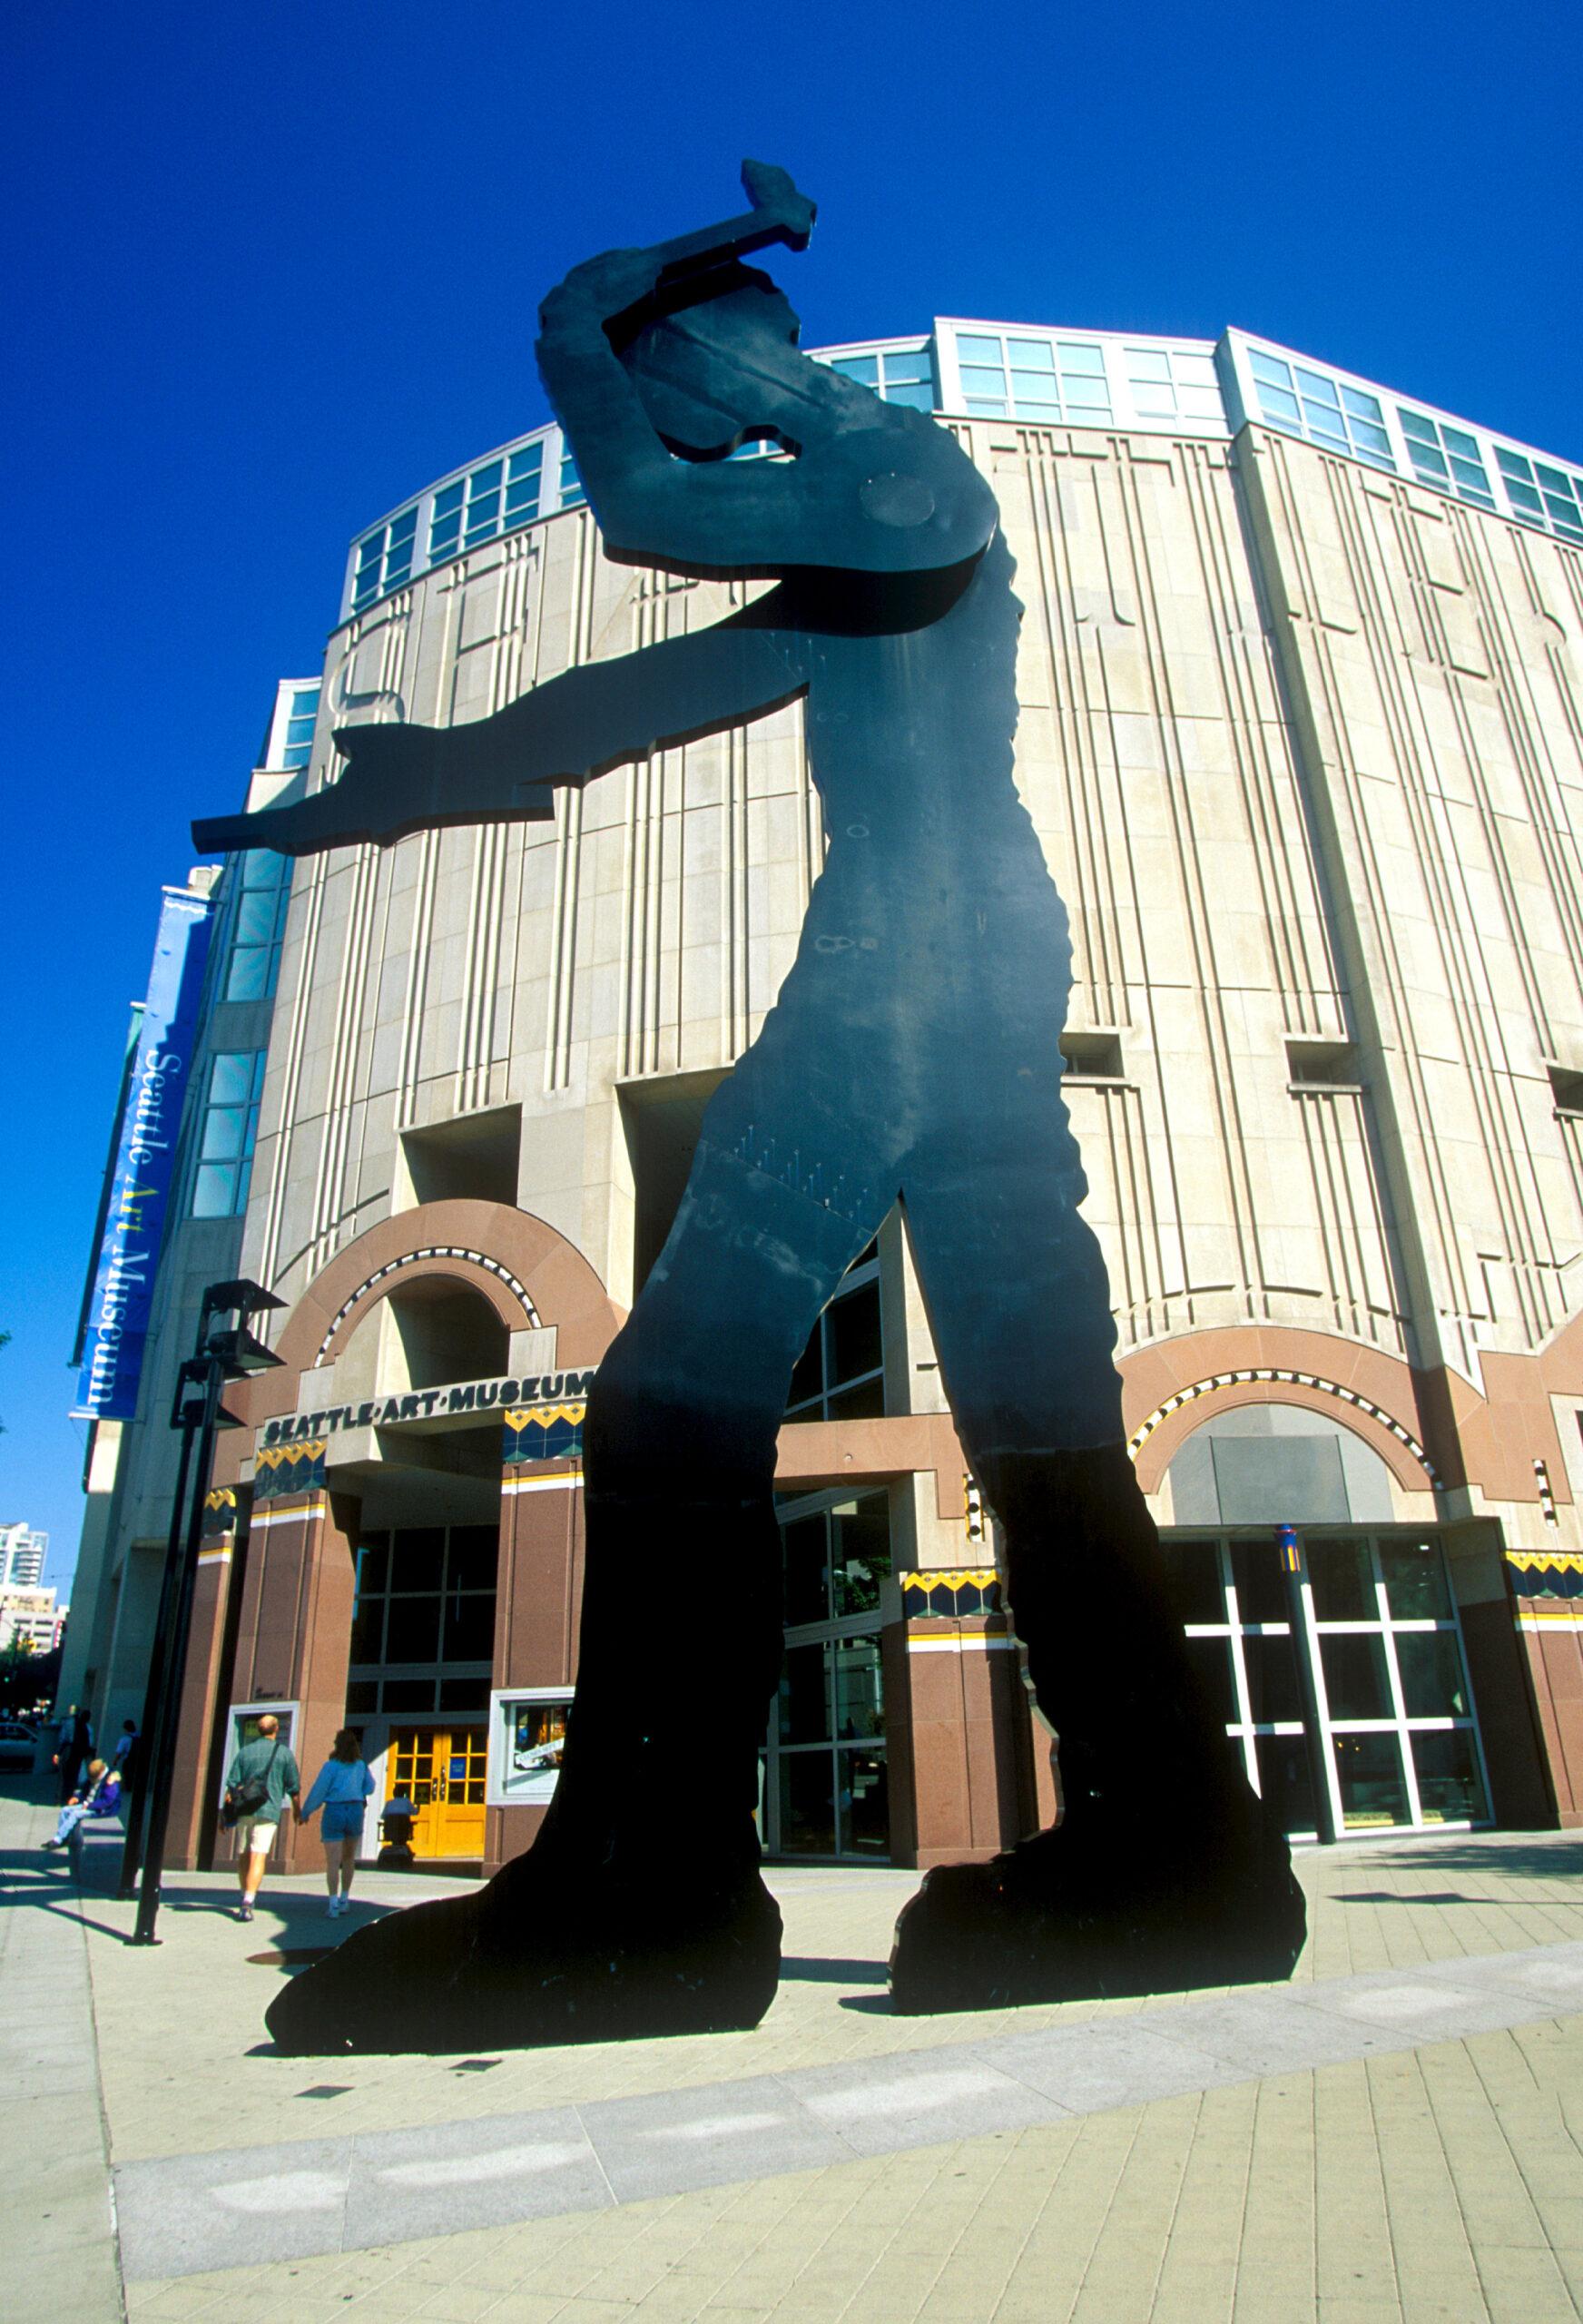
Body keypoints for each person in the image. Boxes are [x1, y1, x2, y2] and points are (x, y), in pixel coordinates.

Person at [202, 162, 1303, 2053]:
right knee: (1034, 1396)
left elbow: (642, 514)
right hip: (954, 951)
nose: (663, 433)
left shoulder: (904, 480)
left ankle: (655, 1881)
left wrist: (577, 328)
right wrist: (413, 777)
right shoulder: (870, 530)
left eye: (667, 388)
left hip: (908, 957)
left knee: (681, 1385)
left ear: (712, 357)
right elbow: (635, 697)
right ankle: (1176, 1840)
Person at [222, 1714, 300, 1924]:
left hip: (244, 1809)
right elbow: (294, 1788)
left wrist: (224, 1816)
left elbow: (231, 1786)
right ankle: (248, 1901)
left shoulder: (244, 1752)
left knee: (243, 1855)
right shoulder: (284, 1753)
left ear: (258, 1730)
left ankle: (243, 1893)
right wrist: (297, 1811)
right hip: (269, 1810)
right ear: (276, 1729)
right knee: (258, 1856)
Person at [299, 1728, 375, 1915]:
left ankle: (333, 1903)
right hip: (355, 1809)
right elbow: (371, 1786)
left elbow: (319, 1790)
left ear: (337, 1745)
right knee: (349, 1858)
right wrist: (359, 1791)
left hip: (335, 1809)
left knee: (333, 1861)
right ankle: (345, 1899)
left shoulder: (331, 1766)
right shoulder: (361, 1765)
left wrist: (306, 1811)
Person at [42, 1758, 122, 1849]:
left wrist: (89, 1806)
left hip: (101, 1809)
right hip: (88, 1803)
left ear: (100, 1773)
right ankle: (65, 1837)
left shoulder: (110, 1780)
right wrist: (77, 1797)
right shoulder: (94, 1776)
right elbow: (85, 1789)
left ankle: (58, 1839)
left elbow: (107, 1801)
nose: (92, 1780)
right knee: (65, 1810)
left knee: (75, 1814)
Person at [53, 1706, 93, 1805]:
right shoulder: (86, 1726)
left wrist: (58, 1753)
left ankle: (59, 1799)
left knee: (63, 1775)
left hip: (68, 1749)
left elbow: (63, 1738)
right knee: (73, 1776)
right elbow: (89, 1742)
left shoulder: (68, 1723)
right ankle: (69, 1797)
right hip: (78, 1752)